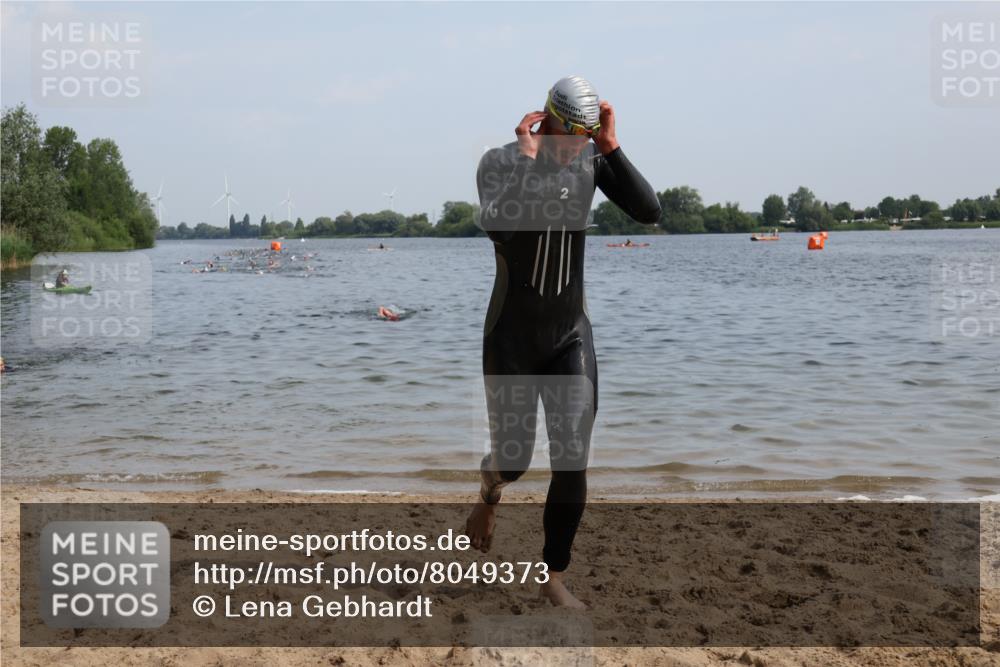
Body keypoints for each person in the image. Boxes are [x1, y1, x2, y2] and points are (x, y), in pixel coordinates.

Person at [465, 76, 660, 608]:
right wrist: (531, 165)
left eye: (586, 133)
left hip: (570, 335)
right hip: (511, 339)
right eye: (570, 132)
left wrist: (612, 148)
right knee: (515, 459)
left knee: (572, 458)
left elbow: (649, 211)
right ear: (544, 119)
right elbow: (499, 227)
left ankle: (553, 576)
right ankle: (489, 491)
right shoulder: (500, 163)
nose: (576, 143)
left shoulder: (591, 163)